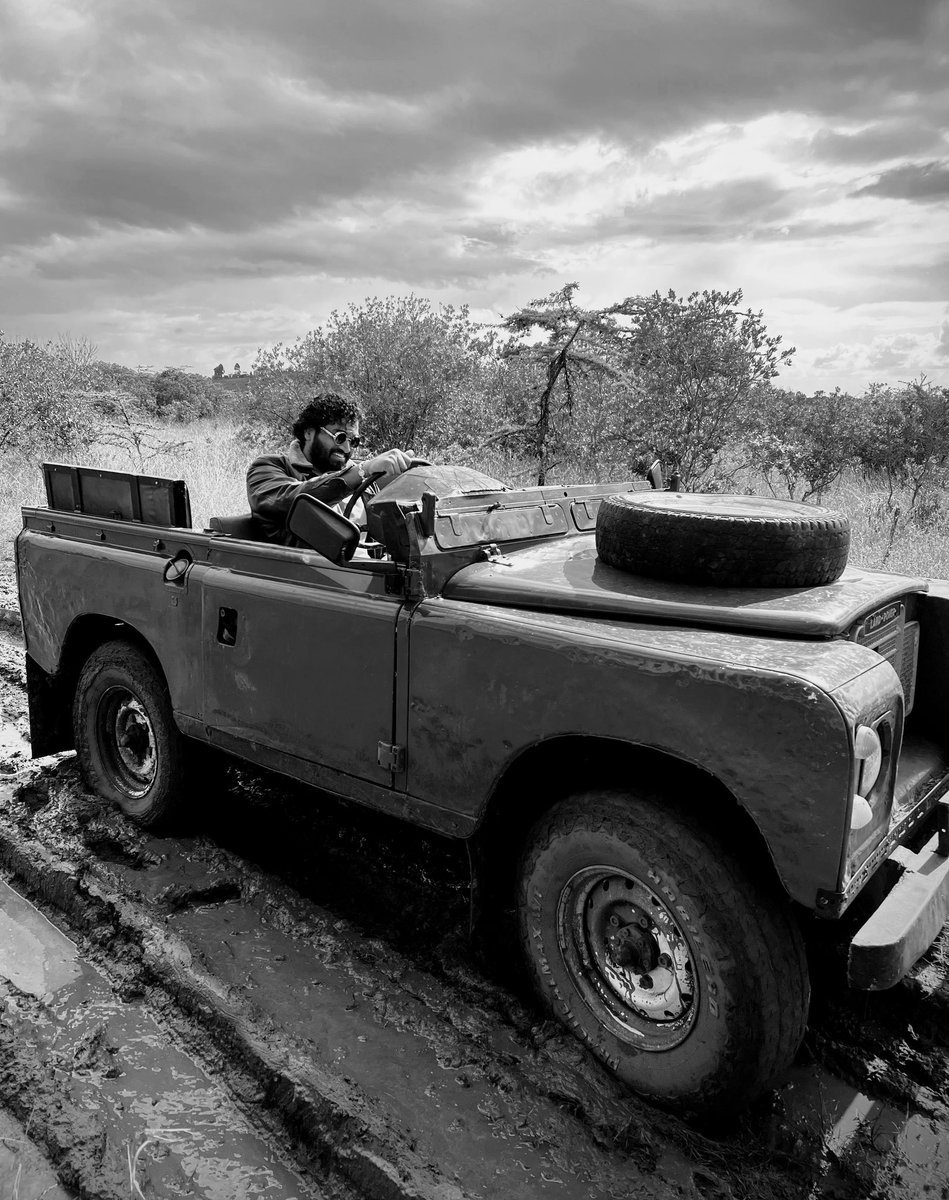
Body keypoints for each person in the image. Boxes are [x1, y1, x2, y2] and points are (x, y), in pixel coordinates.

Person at [247, 393, 414, 545]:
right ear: (309, 433)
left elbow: (383, 531)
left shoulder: (361, 478)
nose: (347, 448)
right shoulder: (268, 467)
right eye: (340, 437)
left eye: (353, 440)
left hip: (363, 570)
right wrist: (362, 470)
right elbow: (295, 499)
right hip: (304, 571)